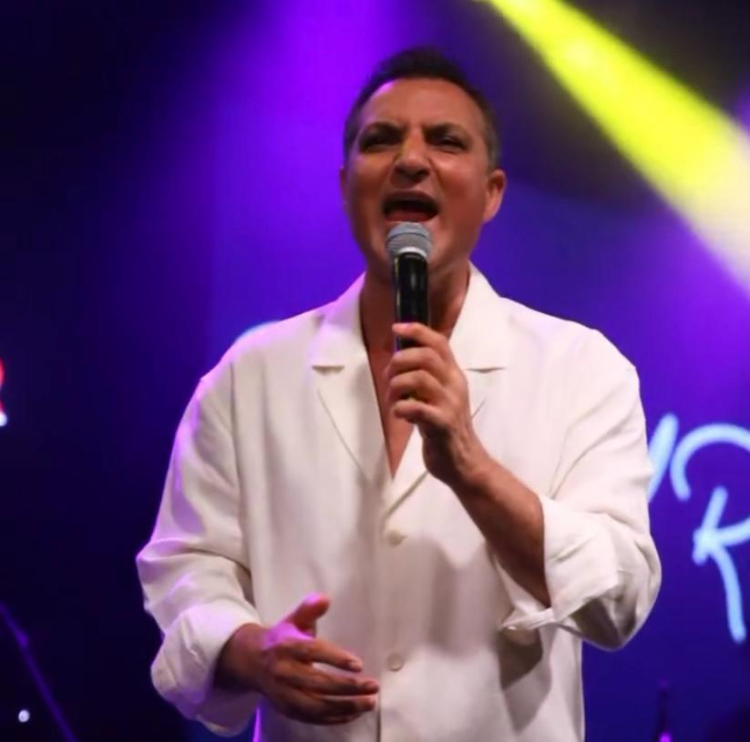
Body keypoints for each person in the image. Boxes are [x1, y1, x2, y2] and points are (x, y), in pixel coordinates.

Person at [136, 47, 661, 741]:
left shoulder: (581, 368)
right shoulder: (251, 374)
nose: (411, 159)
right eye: (381, 140)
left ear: (492, 192)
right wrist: (249, 651)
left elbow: (620, 596)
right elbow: (187, 568)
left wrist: (471, 468)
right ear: (346, 183)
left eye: (446, 141)